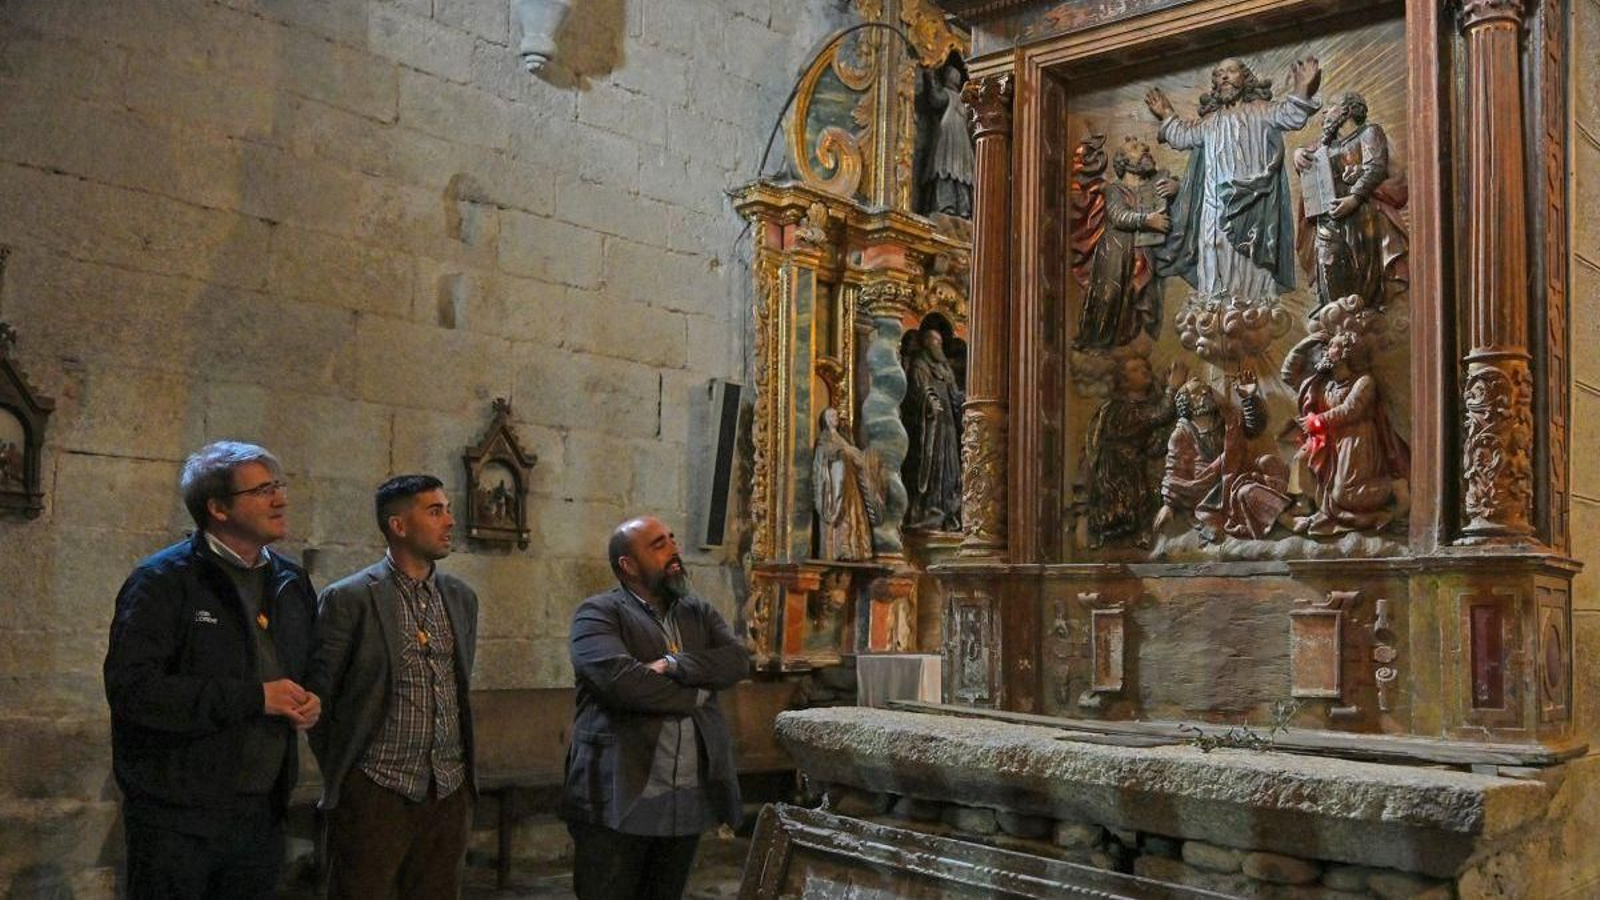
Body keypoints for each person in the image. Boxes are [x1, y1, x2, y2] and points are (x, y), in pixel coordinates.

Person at [104, 441, 319, 899]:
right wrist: (255, 698)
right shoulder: (163, 581)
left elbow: (302, 668)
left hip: (262, 810)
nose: (280, 500)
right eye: (261, 491)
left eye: (279, 486)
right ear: (218, 508)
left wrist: (309, 699)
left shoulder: (290, 580)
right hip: (178, 815)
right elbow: (134, 692)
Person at [306, 475, 479, 899]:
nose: (449, 521)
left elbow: (457, 683)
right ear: (398, 526)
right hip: (377, 787)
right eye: (435, 511)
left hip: (447, 786)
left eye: (448, 510)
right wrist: (350, 777)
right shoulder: (350, 598)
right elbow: (320, 698)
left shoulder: (460, 597)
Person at [561, 516, 750, 899]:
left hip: (685, 798)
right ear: (628, 565)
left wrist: (674, 665)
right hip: (618, 795)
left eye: (672, 540)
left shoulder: (697, 611)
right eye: (659, 545)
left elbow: (736, 662)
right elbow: (622, 683)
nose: (674, 551)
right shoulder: (597, 614)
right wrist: (698, 693)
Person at [1145, 56, 1322, 302]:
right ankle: (1214, 309)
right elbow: (1184, 136)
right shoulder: (1211, 122)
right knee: (1215, 253)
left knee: (1251, 262)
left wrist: (1302, 87)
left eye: (1231, 71)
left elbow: (1291, 115)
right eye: (1219, 74)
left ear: (1245, 78)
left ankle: (1255, 309)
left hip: (1254, 204)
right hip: (1215, 208)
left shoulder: (1262, 111)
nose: (1224, 77)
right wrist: (1166, 113)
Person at [1293, 90, 1409, 315]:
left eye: (1330, 107)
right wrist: (1298, 153)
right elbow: (1311, 159)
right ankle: (1332, 316)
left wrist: (1354, 198)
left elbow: (1376, 167)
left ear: (1347, 110)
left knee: (1360, 267)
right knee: (1328, 264)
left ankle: (1360, 316)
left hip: (1360, 214)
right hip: (1327, 219)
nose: (1324, 113)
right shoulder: (1327, 146)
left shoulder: (1369, 132)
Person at [1292, 332, 1410, 534]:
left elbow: (1350, 409)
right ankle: (1306, 504)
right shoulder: (1327, 383)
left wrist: (1318, 421)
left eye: (1332, 346)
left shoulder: (1364, 382)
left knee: (1346, 495)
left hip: (1357, 439)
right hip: (1331, 441)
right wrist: (1305, 343)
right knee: (1302, 462)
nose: (1326, 351)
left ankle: (1394, 486)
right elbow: (1289, 375)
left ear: (1346, 354)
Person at [1155, 373, 1292, 542]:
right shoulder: (1181, 435)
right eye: (1197, 393)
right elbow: (1174, 471)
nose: (1205, 394)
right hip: (1209, 491)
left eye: (1206, 390)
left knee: (1269, 462)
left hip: (1238, 473)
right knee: (1245, 493)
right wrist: (1168, 505)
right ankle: (1282, 516)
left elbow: (1254, 429)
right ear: (1186, 404)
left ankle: (1285, 508)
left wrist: (1248, 398)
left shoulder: (1227, 420)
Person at [1076, 137, 1179, 350]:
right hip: (1116, 253)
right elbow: (1118, 215)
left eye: (1143, 145)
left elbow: (1178, 209)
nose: (1145, 147)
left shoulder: (1157, 185)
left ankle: (1135, 341)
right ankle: (1101, 340)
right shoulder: (1116, 189)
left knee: (1141, 295)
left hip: (1144, 253)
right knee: (1111, 297)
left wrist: (1177, 188)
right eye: (1135, 147)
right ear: (1123, 161)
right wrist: (1146, 220)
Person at [1082, 357, 1183, 547]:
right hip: (1116, 468)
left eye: (1145, 367)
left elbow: (1155, 433)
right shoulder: (1118, 408)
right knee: (1121, 505)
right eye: (1135, 370)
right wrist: (1172, 388)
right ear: (1123, 382)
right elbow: (1159, 415)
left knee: (1141, 500)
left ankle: (1140, 537)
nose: (1144, 371)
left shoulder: (1143, 405)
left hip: (1133, 464)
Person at [902, 328, 964, 531]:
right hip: (930, 427)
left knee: (951, 469)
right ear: (927, 344)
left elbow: (954, 395)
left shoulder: (945, 368)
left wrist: (964, 399)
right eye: (935, 342)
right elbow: (917, 391)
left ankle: (948, 511)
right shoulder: (920, 365)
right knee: (933, 468)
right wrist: (928, 401)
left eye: (940, 343)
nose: (938, 347)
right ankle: (929, 510)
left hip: (948, 427)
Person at [812, 405, 878, 560]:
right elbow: (823, 454)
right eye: (832, 416)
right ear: (826, 420)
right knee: (841, 515)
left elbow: (855, 456)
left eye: (836, 416)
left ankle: (854, 548)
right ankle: (840, 549)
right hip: (836, 484)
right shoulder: (825, 438)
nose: (835, 419)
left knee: (853, 513)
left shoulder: (843, 438)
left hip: (849, 482)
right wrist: (841, 452)